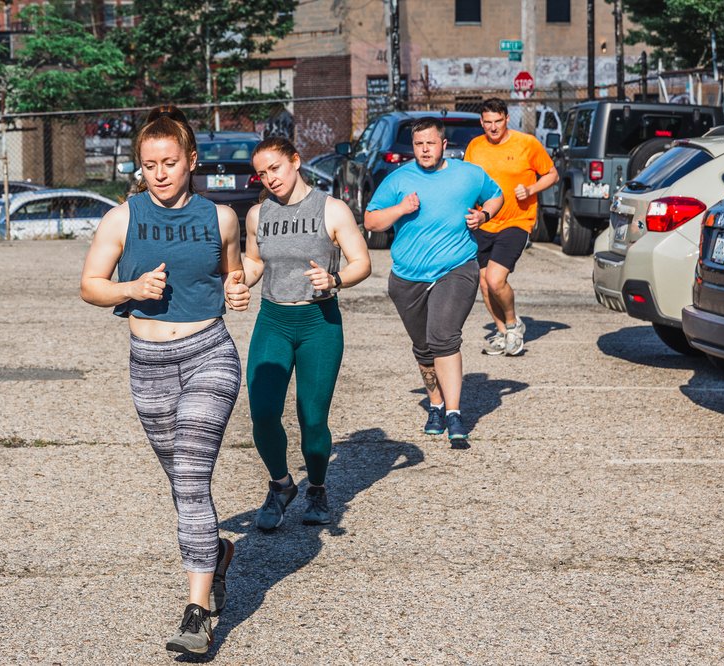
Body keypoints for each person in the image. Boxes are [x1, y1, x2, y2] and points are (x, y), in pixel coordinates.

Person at [79, 105, 251, 656]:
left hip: (209, 354)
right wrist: (131, 290)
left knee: (193, 480)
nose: (159, 173)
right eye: (149, 164)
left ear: (191, 161)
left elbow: (234, 270)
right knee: (181, 485)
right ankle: (216, 554)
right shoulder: (121, 219)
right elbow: (90, 285)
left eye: (169, 163)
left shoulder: (221, 218)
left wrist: (237, 288)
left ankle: (197, 615)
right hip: (148, 362)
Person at [235, 137, 371, 530]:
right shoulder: (257, 215)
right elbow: (255, 262)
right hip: (273, 321)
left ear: (295, 161)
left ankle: (317, 488)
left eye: (275, 168)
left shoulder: (332, 209)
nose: (270, 178)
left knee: (312, 418)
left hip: (319, 323)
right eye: (262, 173)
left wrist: (336, 279)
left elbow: (361, 262)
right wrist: (239, 280)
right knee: (263, 413)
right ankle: (281, 485)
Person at [363, 117, 503, 448]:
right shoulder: (398, 179)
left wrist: (484, 215)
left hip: (456, 268)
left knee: (443, 337)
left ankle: (454, 414)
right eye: (418, 144)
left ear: (443, 145)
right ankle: (436, 406)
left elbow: (496, 196)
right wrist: (401, 209)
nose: (425, 149)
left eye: (430, 143)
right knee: (423, 347)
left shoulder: (468, 174)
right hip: (407, 276)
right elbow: (371, 220)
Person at [464, 98, 559, 356]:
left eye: (498, 121)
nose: (493, 127)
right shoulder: (475, 146)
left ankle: (513, 324)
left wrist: (531, 189)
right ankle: (503, 333)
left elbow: (552, 174)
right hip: (484, 221)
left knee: (496, 280)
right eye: (488, 122)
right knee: (484, 284)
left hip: (517, 221)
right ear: (481, 122)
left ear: (507, 119)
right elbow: (470, 182)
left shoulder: (527, 143)